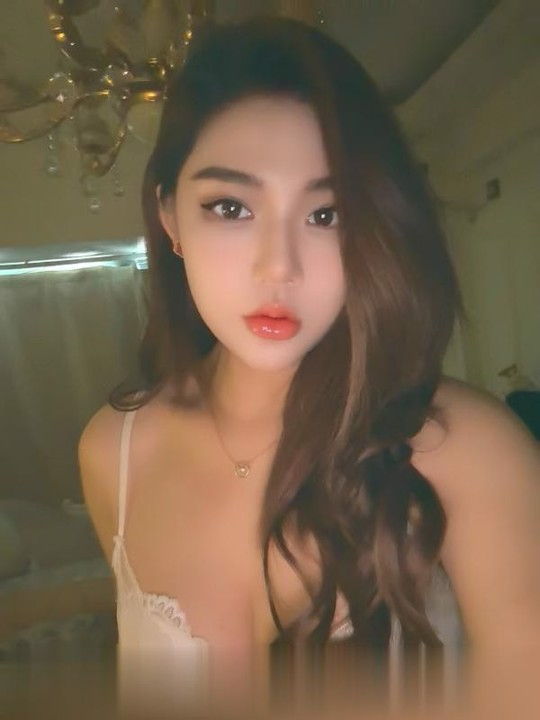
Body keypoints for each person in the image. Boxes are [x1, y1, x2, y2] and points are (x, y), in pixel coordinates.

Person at [78, 15, 540, 718]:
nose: (279, 267)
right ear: (170, 218)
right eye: (230, 207)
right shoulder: (113, 452)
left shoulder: (464, 448)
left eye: (327, 215)